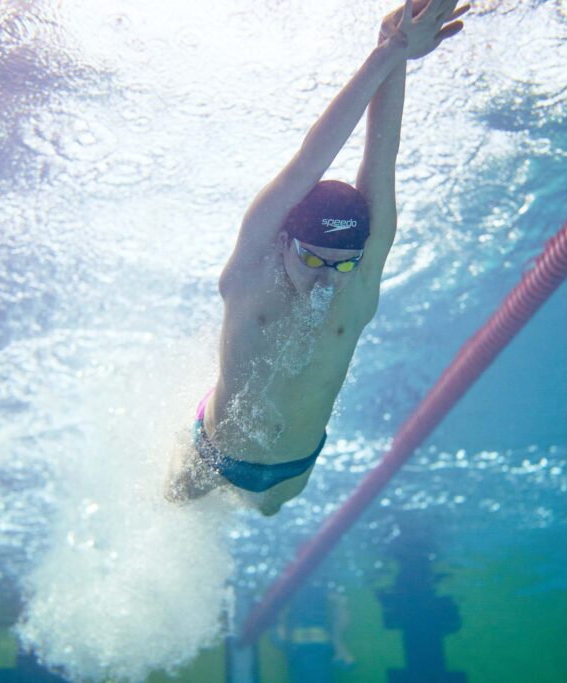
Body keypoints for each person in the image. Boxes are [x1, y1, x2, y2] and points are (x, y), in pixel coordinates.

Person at [166, 0, 470, 515]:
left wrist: (398, 53)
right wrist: (388, 52)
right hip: (214, 452)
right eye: (312, 261)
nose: (327, 280)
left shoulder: (360, 282)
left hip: (293, 468)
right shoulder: (249, 274)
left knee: (266, 512)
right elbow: (310, 161)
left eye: (343, 264)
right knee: (172, 504)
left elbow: (383, 158)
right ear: (285, 242)